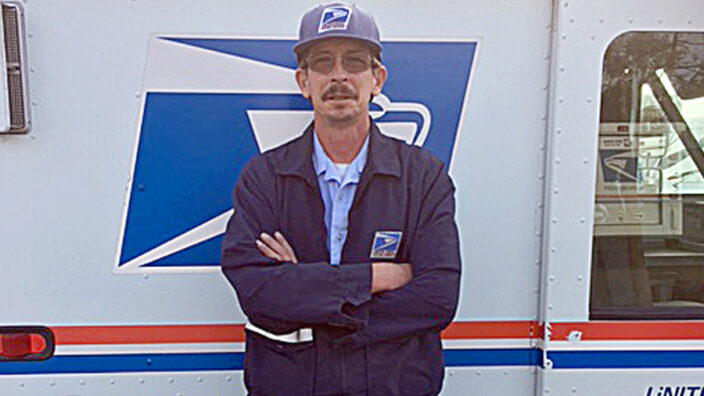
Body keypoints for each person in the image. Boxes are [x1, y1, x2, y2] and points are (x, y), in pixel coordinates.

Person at [221, 3, 461, 395]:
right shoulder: (263, 177)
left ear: (377, 79)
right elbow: (255, 289)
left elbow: (437, 297)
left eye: (353, 61)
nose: (338, 75)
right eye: (322, 62)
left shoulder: (423, 176)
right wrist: (375, 277)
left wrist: (306, 287)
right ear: (303, 81)